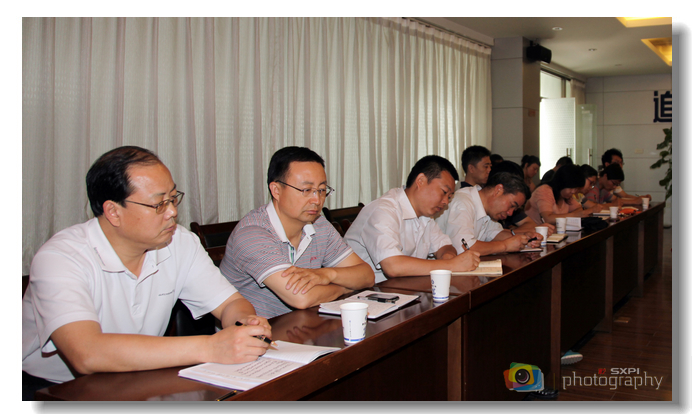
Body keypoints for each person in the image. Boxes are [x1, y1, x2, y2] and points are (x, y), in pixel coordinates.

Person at [22, 146, 271, 399]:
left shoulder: (179, 242)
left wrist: (244, 323)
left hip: (140, 376)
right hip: (51, 388)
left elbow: (229, 303)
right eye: (159, 204)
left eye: (173, 198)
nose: (172, 212)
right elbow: (86, 353)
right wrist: (211, 347)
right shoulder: (61, 258)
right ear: (113, 212)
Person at [220, 147, 375, 319]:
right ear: (276, 190)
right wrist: (345, 287)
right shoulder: (252, 234)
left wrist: (328, 274)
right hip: (260, 330)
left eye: (322, 190)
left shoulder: (319, 224)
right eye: (306, 190)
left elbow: (367, 275)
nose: (317, 200)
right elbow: (301, 298)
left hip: (305, 324)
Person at [344, 155, 481, 283]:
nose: (446, 201)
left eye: (449, 197)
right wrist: (450, 265)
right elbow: (393, 266)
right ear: (420, 181)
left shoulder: (425, 216)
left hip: (402, 288)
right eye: (444, 192)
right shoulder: (383, 210)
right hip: (363, 293)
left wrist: (447, 256)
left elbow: (444, 246)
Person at [436, 172, 543, 255]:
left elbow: (495, 234)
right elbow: (464, 248)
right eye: (511, 205)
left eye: (514, 210)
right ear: (498, 190)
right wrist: (505, 246)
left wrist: (524, 239)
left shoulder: (487, 209)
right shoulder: (463, 202)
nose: (510, 213)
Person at [524, 164, 596, 225]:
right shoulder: (544, 191)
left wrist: (575, 214)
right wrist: (575, 215)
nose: (573, 192)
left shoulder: (566, 195)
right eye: (571, 188)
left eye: (576, 189)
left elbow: (579, 209)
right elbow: (548, 219)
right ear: (562, 183)